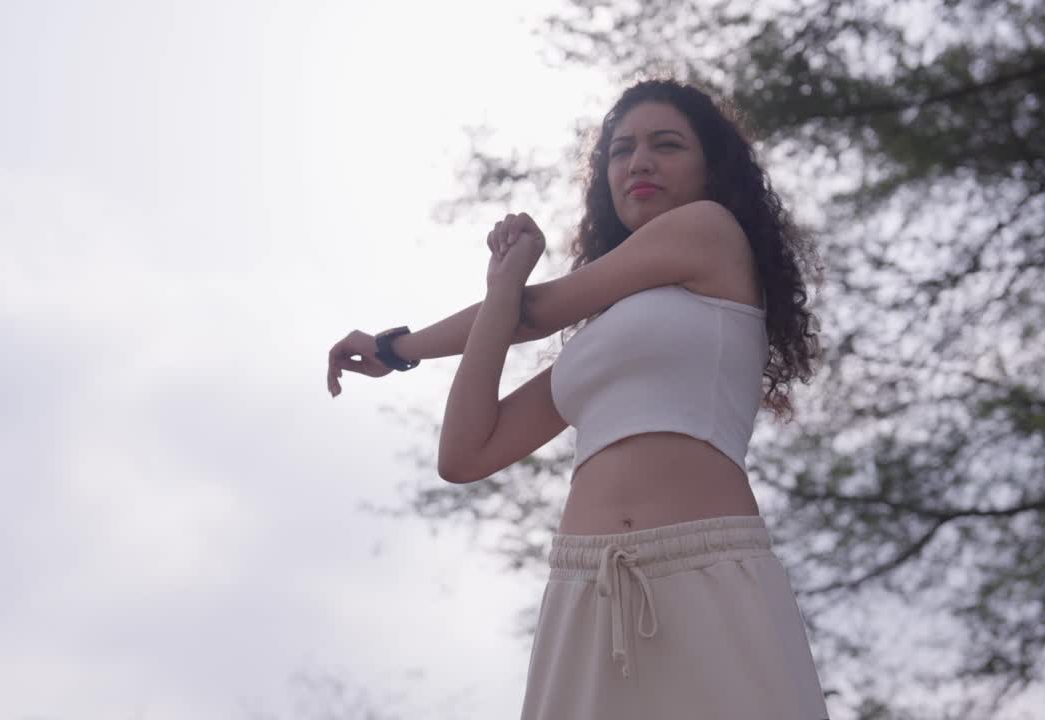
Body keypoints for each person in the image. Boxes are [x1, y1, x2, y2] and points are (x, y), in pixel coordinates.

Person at [326, 78, 829, 720]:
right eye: (621, 151)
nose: (639, 161)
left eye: (666, 144)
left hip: (706, 568)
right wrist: (502, 283)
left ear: (711, 169)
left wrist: (401, 346)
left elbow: (532, 311)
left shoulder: (710, 231)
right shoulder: (597, 347)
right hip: (583, 595)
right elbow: (464, 454)